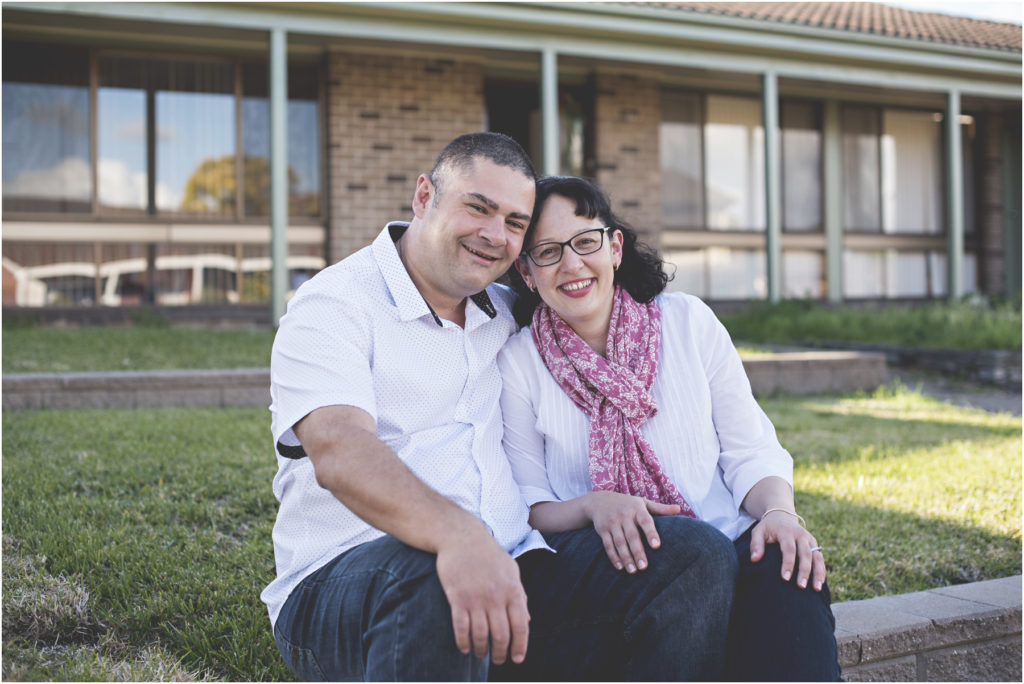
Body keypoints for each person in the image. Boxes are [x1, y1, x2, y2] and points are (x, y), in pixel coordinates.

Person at [262, 133, 738, 682]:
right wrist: (456, 536)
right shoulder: (334, 305)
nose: (495, 235)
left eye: (515, 222)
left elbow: (589, 303)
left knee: (691, 554)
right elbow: (339, 449)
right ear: (424, 197)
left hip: (512, 570)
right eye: (478, 207)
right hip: (352, 585)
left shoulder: (509, 313)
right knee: (433, 576)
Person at [498, 175, 842, 682]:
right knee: (695, 562)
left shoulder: (688, 323)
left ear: (615, 248)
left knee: (787, 564)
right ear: (527, 272)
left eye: (585, 242)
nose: (571, 264)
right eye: (548, 252)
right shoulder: (519, 362)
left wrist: (779, 513)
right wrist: (594, 505)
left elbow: (750, 450)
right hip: (618, 563)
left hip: (726, 538)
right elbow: (529, 503)